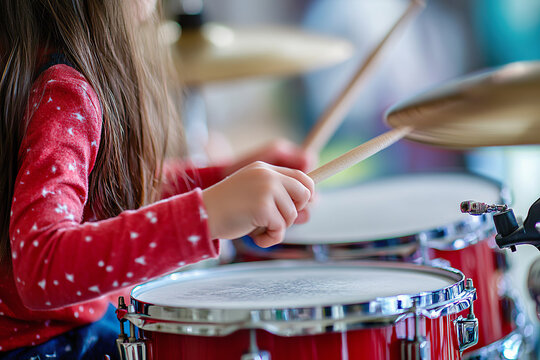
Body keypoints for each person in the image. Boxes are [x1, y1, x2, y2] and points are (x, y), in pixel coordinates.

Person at [0, 0, 315, 358]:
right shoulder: (65, 90)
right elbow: (42, 268)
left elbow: (96, 192)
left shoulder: (25, 64)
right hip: (44, 345)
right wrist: (205, 215)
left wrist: (224, 178)